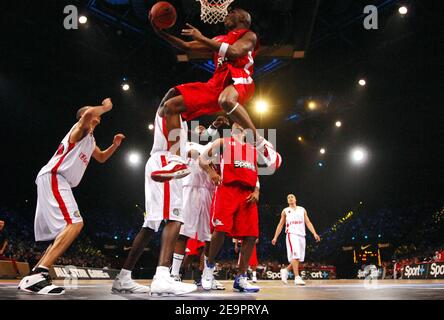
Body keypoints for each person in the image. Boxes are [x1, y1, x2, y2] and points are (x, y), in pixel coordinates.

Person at [19, 98, 125, 295]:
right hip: (55, 176)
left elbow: (101, 157)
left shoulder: (90, 139)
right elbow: (86, 115)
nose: (97, 117)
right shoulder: (79, 130)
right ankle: (38, 275)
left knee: (67, 228)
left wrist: (114, 146)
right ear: (89, 116)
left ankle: (35, 275)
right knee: (75, 223)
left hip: (59, 181)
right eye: (94, 114)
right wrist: (106, 107)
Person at [149, 8, 266, 182]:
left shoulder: (249, 35)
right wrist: (161, 33)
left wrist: (202, 37)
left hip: (239, 79)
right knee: (171, 106)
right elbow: (186, 46)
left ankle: (259, 142)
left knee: (226, 100)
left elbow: (234, 52)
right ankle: (177, 161)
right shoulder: (218, 40)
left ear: (242, 18)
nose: (226, 15)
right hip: (216, 84)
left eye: (231, 13)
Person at [112, 108, 197, 296]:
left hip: (160, 161)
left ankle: (123, 277)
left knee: (150, 224)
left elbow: (179, 135)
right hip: (166, 162)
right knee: (175, 218)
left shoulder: (178, 119)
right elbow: (173, 99)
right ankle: (162, 277)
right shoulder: (172, 106)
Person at [199, 123, 281, 293]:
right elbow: (202, 159)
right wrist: (211, 173)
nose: (240, 125)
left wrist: (257, 191)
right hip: (227, 190)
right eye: (237, 122)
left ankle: (241, 278)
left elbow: (256, 175)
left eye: (243, 125)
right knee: (220, 230)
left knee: (251, 236)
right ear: (233, 126)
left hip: (248, 194)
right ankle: (209, 268)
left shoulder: (252, 150)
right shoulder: (223, 142)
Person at [271, 194, 321, 286]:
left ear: (295, 199)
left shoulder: (302, 209)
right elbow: (280, 224)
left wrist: (314, 233)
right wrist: (275, 237)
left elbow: (308, 222)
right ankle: (297, 277)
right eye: (288, 198)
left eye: (292, 197)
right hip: (291, 234)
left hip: (302, 235)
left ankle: (285, 270)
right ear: (287, 201)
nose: (290, 198)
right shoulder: (285, 211)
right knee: (296, 254)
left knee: (298, 258)